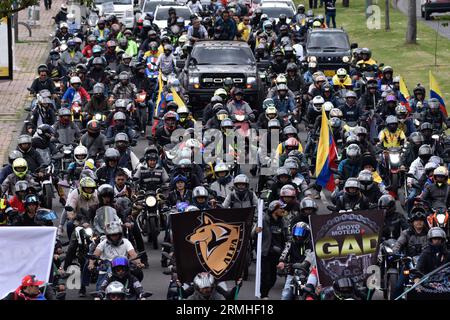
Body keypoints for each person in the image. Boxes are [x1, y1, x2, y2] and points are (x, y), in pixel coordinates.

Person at [88, 221, 144, 289]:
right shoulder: (103, 243)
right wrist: (91, 264)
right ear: (108, 235)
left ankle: (134, 289)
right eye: (112, 235)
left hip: (123, 265)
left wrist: (139, 263)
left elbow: (133, 254)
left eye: (116, 234)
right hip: (106, 266)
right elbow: (96, 254)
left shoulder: (126, 242)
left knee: (137, 272)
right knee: (100, 289)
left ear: (120, 234)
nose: (114, 237)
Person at [257, 200, 289, 299]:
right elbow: (253, 234)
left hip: (277, 254)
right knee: (265, 277)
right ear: (274, 210)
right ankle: (264, 295)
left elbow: (286, 236)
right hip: (266, 253)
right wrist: (256, 230)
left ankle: (264, 292)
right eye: (281, 208)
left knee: (273, 279)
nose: (283, 210)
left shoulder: (283, 221)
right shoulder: (263, 220)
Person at [278, 222, 315, 300]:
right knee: (285, 296)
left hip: (307, 274)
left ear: (307, 233)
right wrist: (281, 261)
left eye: (301, 233)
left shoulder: (311, 244)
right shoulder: (290, 243)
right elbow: (285, 252)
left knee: (311, 294)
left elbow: (308, 258)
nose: (298, 235)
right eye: (297, 232)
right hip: (292, 272)